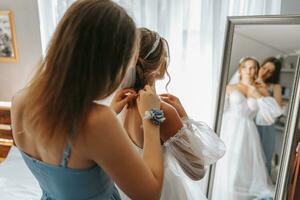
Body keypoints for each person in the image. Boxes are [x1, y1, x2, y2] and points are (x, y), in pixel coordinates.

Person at [11, 1, 165, 200]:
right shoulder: (98, 122)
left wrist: (109, 113)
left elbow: (73, 149)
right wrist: (151, 117)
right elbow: (150, 194)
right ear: (105, 65)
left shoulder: (20, 101)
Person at [117, 28, 226, 200]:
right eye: (165, 56)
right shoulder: (160, 111)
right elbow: (196, 170)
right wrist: (183, 117)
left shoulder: (120, 101)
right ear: (157, 64)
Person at [212, 57, 281, 200]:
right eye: (246, 67)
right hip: (230, 128)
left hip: (248, 132)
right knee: (227, 164)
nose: (249, 71)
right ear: (240, 70)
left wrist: (258, 95)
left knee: (242, 167)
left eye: (253, 68)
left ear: (257, 70)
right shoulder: (230, 88)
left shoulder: (260, 90)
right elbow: (218, 111)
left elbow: (274, 112)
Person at [255, 57, 283, 175]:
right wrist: (258, 79)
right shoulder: (251, 81)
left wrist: (264, 89)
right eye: (264, 67)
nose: (266, 72)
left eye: (270, 71)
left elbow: (278, 108)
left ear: (274, 74)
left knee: (265, 156)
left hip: (267, 126)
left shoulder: (275, 87)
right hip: (250, 123)